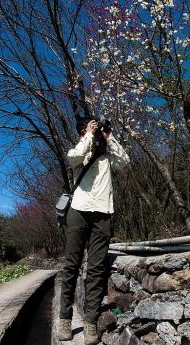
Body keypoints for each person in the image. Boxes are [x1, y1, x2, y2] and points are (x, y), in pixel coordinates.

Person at [58, 117, 130, 345]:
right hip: (78, 210)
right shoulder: (80, 152)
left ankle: (90, 322)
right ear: (83, 133)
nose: (96, 133)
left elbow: (124, 161)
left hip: (102, 212)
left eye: (97, 131)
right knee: (71, 265)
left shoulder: (108, 158)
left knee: (97, 269)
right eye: (91, 130)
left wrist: (109, 137)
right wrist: (88, 135)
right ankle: (65, 319)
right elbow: (72, 158)